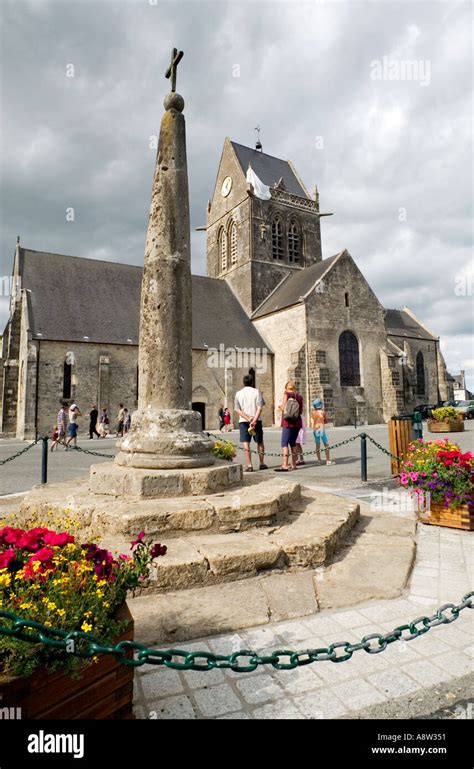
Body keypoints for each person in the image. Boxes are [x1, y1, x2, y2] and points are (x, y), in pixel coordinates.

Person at [234, 374, 268, 472]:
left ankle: (249, 465)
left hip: (244, 421)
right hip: (256, 421)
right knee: (260, 442)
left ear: (243, 383)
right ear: (252, 382)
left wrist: (248, 418)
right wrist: (254, 419)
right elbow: (260, 407)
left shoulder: (238, 393)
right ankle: (261, 463)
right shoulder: (257, 392)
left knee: (246, 443)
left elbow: (237, 409)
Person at [275, 381, 303, 472]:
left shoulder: (286, 394)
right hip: (297, 422)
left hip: (287, 422)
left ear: (287, 388)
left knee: (284, 443)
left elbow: (283, 408)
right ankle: (294, 464)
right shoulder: (299, 397)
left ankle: (285, 464)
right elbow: (301, 411)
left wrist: (279, 407)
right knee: (293, 443)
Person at [311, 398, 335, 465]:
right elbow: (325, 421)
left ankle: (319, 460)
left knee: (317, 445)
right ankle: (328, 460)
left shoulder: (313, 412)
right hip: (321, 429)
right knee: (326, 444)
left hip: (315, 429)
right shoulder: (322, 412)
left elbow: (312, 422)